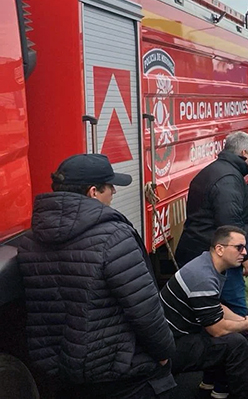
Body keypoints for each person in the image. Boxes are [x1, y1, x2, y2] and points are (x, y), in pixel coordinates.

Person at [16, 154, 176, 398]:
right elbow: (144, 309)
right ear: (93, 192)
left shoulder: (29, 241)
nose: (114, 191)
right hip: (119, 373)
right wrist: (164, 352)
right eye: (110, 186)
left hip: (62, 372)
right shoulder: (114, 237)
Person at [161, 226, 248, 399]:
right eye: (239, 247)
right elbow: (217, 329)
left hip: (176, 336)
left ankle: (216, 388)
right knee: (234, 343)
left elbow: (216, 307)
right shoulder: (203, 277)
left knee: (228, 335)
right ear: (220, 249)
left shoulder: (206, 263)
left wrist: (244, 320)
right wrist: (245, 325)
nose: (245, 253)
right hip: (170, 347)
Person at [176, 131, 248, 316]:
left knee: (203, 311)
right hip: (218, 261)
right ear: (244, 153)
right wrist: (244, 257)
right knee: (236, 313)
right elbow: (230, 224)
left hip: (198, 253)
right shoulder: (229, 180)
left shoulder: (213, 171)